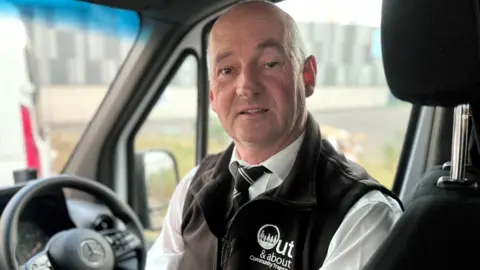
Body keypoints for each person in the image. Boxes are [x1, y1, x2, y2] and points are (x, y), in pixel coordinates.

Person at [146, 1, 403, 269]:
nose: (246, 87)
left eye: (269, 64)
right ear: (212, 95)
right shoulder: (193, 188)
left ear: (307, 76)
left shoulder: (361, 217)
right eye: (227, 70)